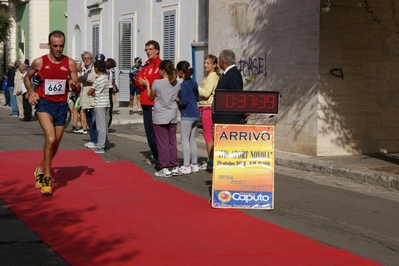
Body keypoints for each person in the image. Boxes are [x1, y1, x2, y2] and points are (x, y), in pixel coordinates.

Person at [24, 30, 81, 194]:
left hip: (61, 105)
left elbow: (77, 89)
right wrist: (30, 92)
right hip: (44, 104)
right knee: (50, 138)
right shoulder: (39, 62)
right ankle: (47, 178)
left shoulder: (69, 63)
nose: (58, 49)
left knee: (55, 143)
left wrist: (75, 85)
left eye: (61, 46)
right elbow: (27, 78)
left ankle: (40, 169)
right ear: (49, 45)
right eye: (55, 46)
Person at [139, 60, 181, 177]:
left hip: (160, 115)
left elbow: (151, 97)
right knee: (172, 141)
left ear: (162, 71)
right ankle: (174, 165)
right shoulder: (177, 83)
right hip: (172, 115)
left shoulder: (157, 82)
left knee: (162, 143)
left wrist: (147, 85)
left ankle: (165, 166)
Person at [136, 40, 162, 165]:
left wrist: (146, 83)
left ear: (157, 50)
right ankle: (155, 154)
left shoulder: (160, 65)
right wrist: (145, 84)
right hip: (145, 102)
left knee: (154, 131)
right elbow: (137, 80)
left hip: (154, 102)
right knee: (148, 131)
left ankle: (159, 155)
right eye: (146, 50)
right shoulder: (145, 65)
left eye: (150, 49)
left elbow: (154, 81)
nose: (148, 52)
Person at [176, 61, 200, 174]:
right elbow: (197, 98)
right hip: (196, 114)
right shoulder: (194, 82)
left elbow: (183, 102)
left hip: (187, 115)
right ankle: (194, 164)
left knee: (184, 140)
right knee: (192, 140)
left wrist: (177, 100)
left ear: (181, 72)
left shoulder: (183, 85)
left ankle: (186, 165)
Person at [198, 54, 220, 171]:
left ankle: (211, 161)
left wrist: (195, 88)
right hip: (204, 107)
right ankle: (211, 159)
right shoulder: (208, 76)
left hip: (208, 107)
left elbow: (206, 93)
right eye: (205, 63)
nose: (205, 65)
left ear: (214, 65)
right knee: (208, 135)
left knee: (208, 135)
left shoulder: (212, 76)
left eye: (208, 63)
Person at [212, 49, 244, 125]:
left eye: (219, 59)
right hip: (222, 118)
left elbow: (236, 96)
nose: (218, 61)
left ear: (222, 61)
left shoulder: (233, 75)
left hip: (228, 120)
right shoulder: (227, 74)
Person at [87, 60, 110, 153]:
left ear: (96, 69)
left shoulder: (98, 80)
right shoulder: (106, 78)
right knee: (105, 126)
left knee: (100, 127)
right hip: (106, 103)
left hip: (99, 104)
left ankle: (100, 146)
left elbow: (89, 92)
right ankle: (103, 144)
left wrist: (94, 93)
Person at [80, 51, 98, 148]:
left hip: (93, 98)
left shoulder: (94, 68)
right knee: (89, 120)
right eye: (85, 58)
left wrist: (82, 76)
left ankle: (96, 140)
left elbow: (93, 78)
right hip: (85, 99)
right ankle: (92, 139)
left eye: (88, 58)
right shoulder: (83, 69)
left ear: (91, 59)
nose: (86, 60)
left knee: (95, 121)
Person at [70, 58, 83, 132]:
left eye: (77, 64)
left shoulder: (81, 73)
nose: (75, 66)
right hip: (76, 94)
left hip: (80, 94)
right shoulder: (75, 73)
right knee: (79, 111)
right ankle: (82, 126)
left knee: (74, 110)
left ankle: (74, 126)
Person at [105, 57, 116, 128]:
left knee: (108, 107)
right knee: (110, 105)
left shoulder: (107, 71)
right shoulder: (112, 71)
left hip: (107, 88)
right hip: (110, 88)